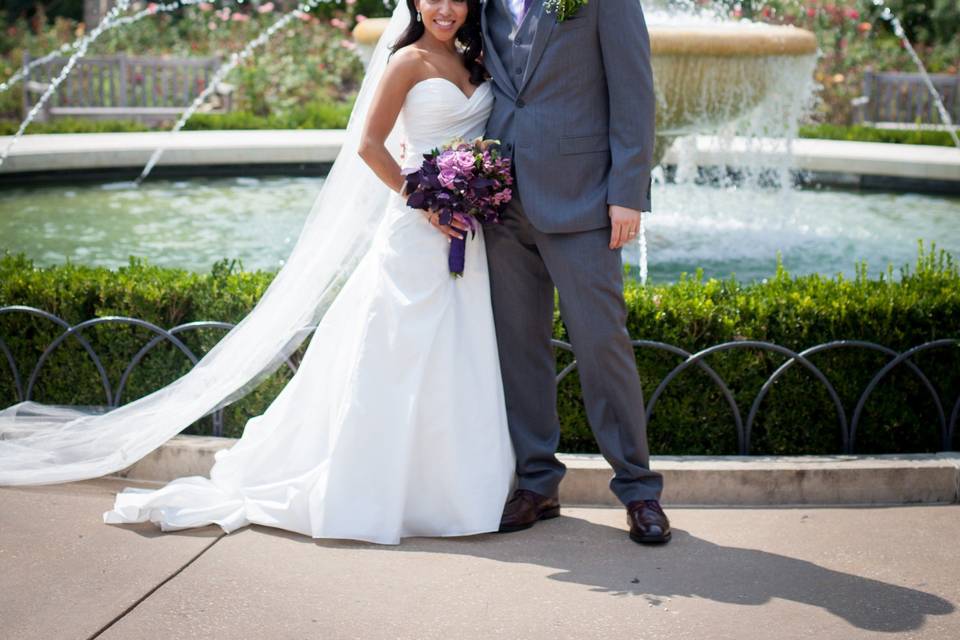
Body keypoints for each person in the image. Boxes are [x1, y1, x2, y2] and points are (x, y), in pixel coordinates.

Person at [0, 0, 514, 546]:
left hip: (466, 232)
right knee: (398, 350)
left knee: (459, 351)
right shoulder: (405, 62)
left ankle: (448, 488)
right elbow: (369, 145)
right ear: (415, 2)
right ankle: (374, 486)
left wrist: (475, 184)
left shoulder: (476, 61)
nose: (446, 7)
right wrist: (425, 198)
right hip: (416, 230)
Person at [481, 0, 671, 543]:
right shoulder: (482, 4)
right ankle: (538, 483)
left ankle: (639, 490)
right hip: (499, 201)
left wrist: (627, 194)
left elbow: (634, 91)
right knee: (519, 349)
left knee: (601, 344)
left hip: (585, 201)